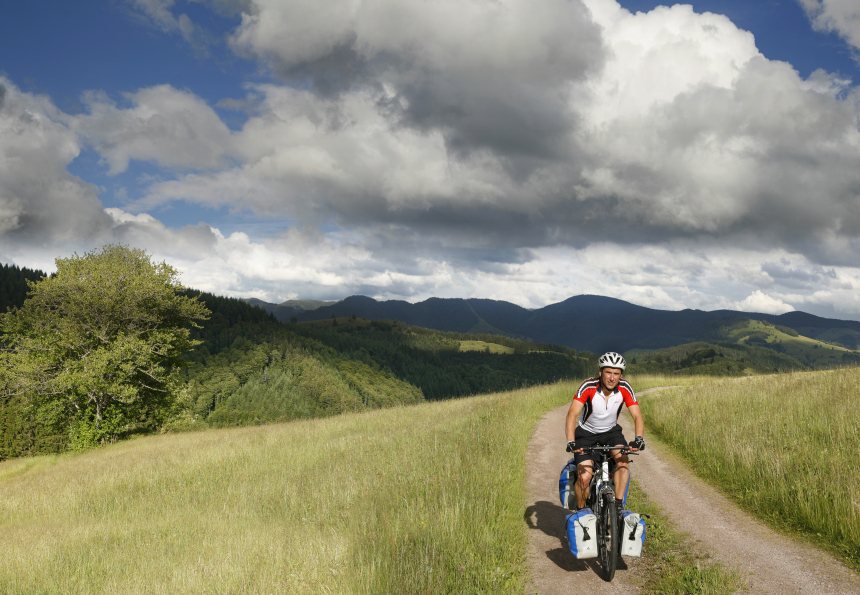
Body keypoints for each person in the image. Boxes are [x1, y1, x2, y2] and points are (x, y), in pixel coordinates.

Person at [564, 351, 645, 513]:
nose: (612, 378)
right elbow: (572, 414)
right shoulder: (588, 386)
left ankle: (618, 508)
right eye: (608, 372)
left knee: (623, 464)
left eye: (616, 373)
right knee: (585, 477)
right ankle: (581, 511)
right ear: (600, 372)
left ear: (621, 375)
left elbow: (637, 416)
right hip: (586, 434)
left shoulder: (625, 387)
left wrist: (639, 438)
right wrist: (571, 442)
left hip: (611, 432)